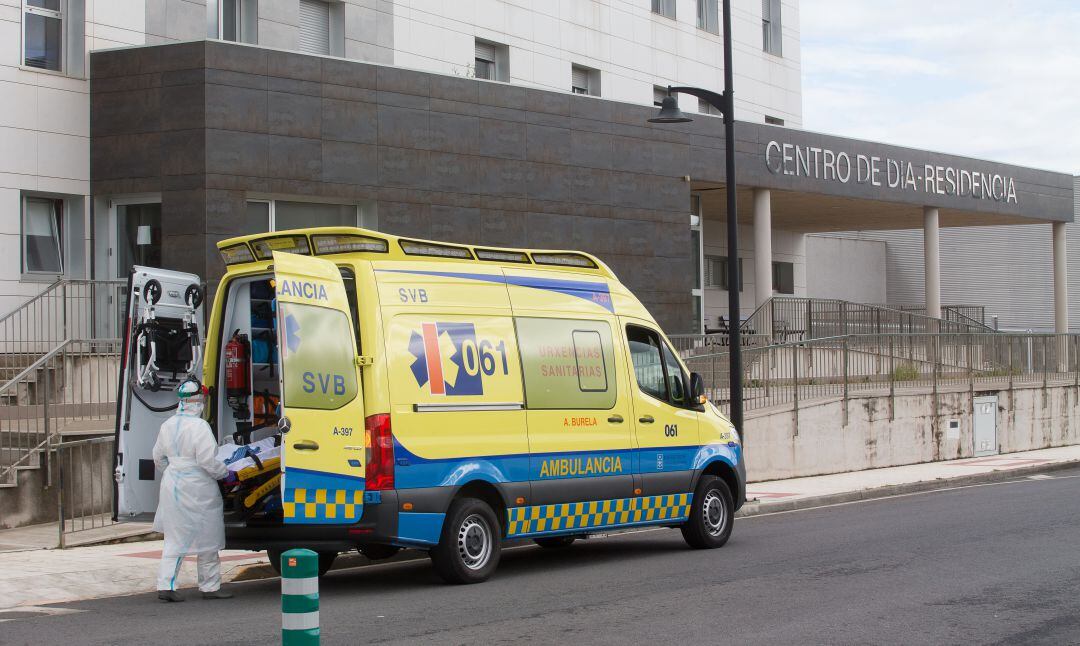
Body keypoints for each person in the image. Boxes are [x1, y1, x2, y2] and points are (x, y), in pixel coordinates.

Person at [153, 378, 237, 602]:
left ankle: (166, 585)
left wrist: (174, 471)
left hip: (172, 485)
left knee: (175, 536)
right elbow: (208, 461)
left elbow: (157, 458)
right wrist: (226, 474)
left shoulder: (167, 425)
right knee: (208, 535)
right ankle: (210, 587)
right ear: (199, 402)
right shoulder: (200, 427)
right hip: (199, 486)